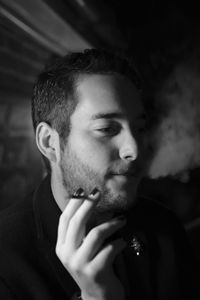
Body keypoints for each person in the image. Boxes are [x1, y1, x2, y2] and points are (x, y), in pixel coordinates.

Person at [0, 48, 199, 300]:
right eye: (106, 128)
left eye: (139, 128)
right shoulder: (6, 257)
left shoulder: (164, 228)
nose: (134, 149)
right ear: (50, 142)